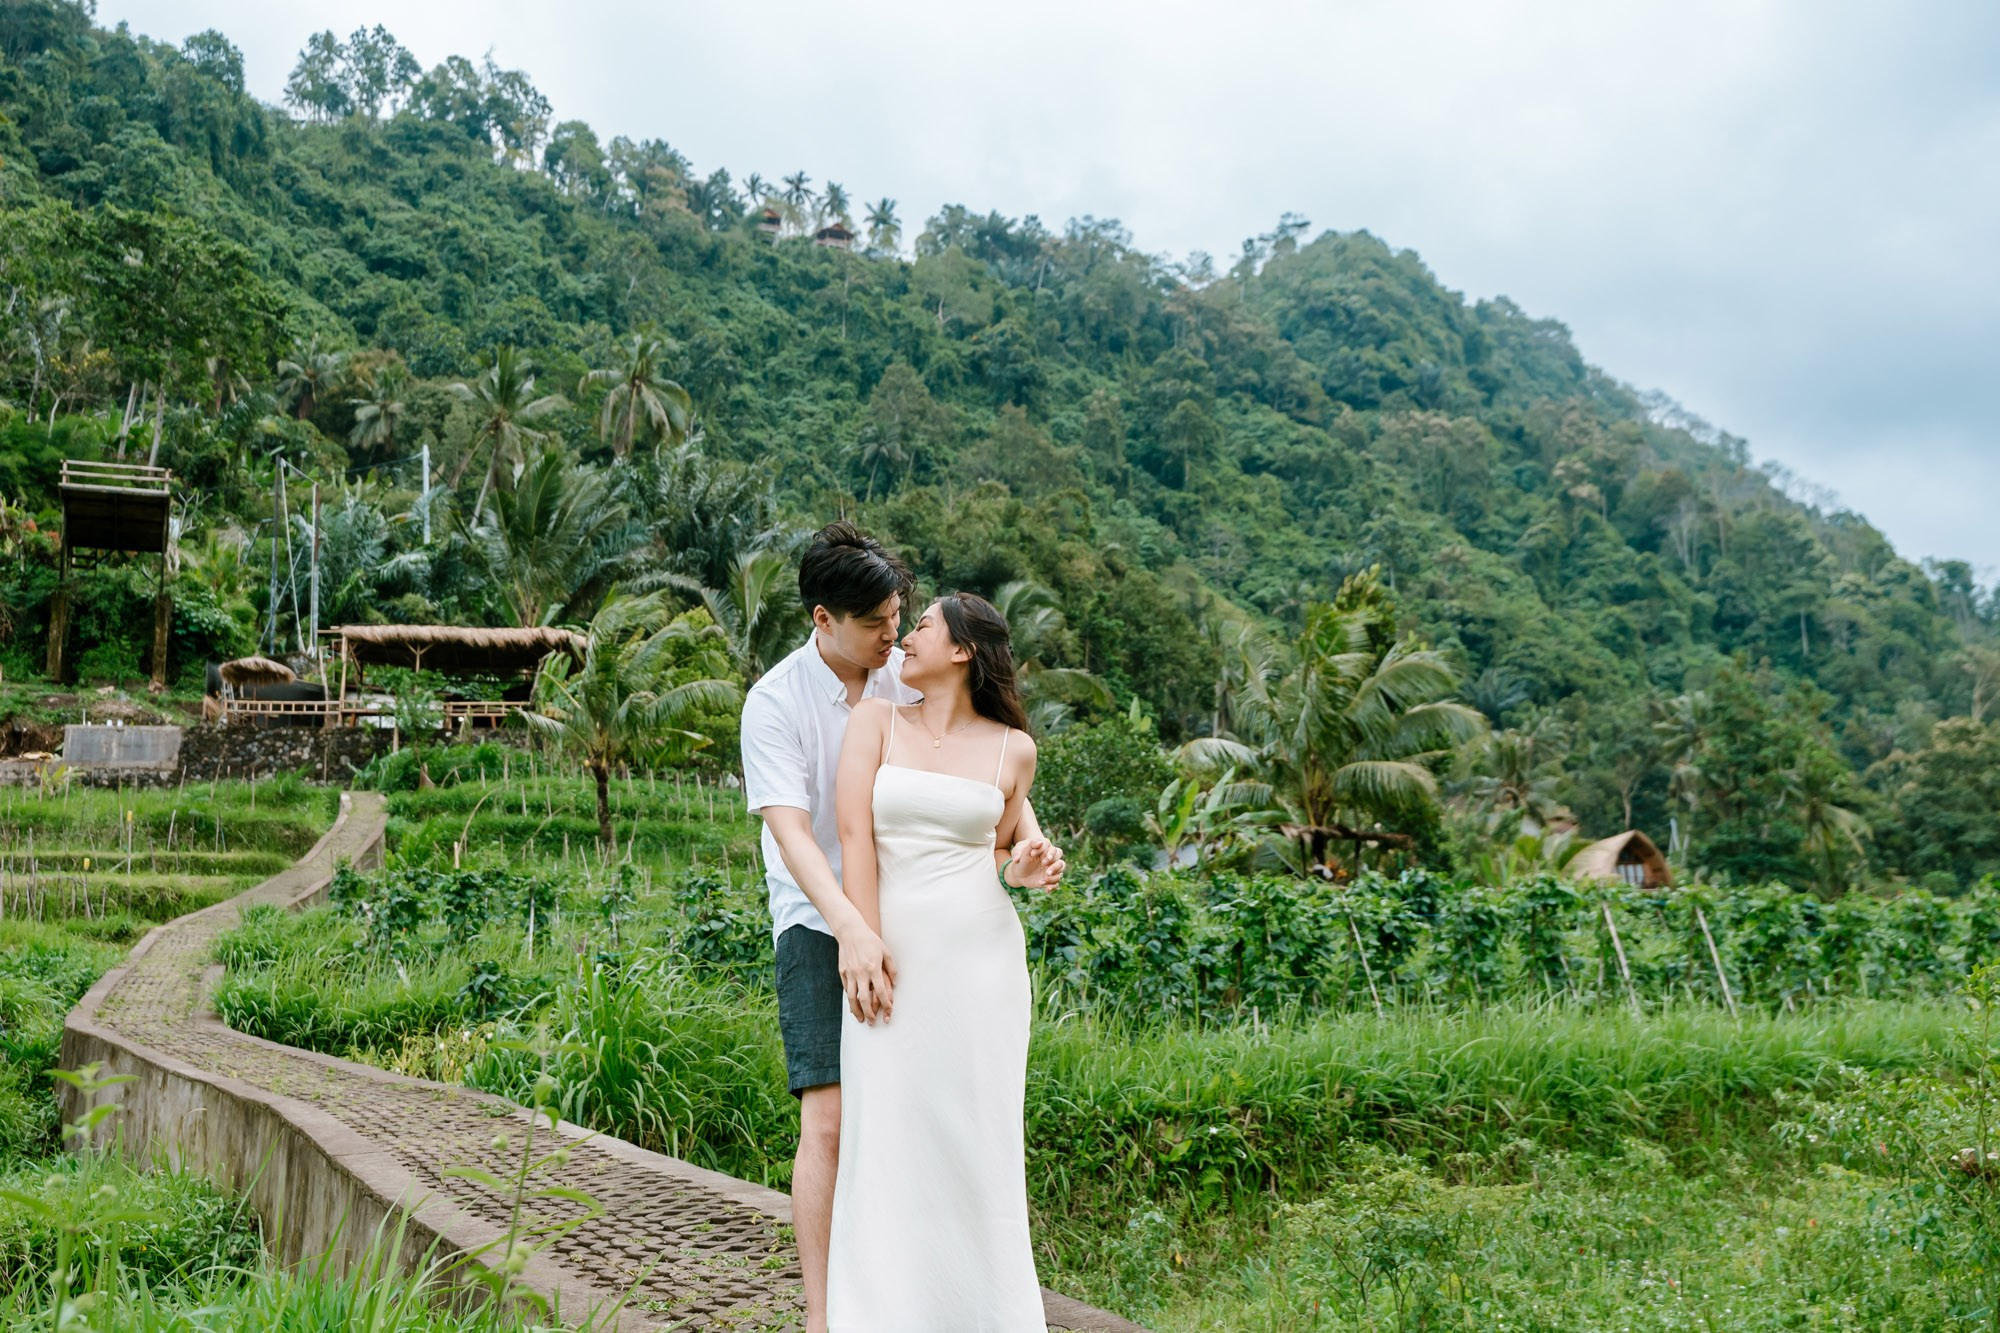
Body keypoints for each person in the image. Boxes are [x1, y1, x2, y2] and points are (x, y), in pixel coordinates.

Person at [740, 526, 1063, 1333]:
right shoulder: (775, 703)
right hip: (817, 917)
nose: (894, 633)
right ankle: (827, 1315)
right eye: (879, 622)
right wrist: (852, 928)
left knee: (941, 1117)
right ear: (824, 618)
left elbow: (991, 787)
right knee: (834, 1119)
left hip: (934, 931)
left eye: (901, 616)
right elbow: (798, 835)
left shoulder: (904, 681)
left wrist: (1027, 846)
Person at [825, 592, 1065, 1332]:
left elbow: (1002, 851)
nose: (905, 635)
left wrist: (1022, 868)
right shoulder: (874, 721)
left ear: (961, 650)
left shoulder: (1011, 748)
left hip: (980, 964)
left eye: (922, 624)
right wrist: (862, 942)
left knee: (975, 1138)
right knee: (883, 1135)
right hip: (889, 960)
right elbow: (855, 836)